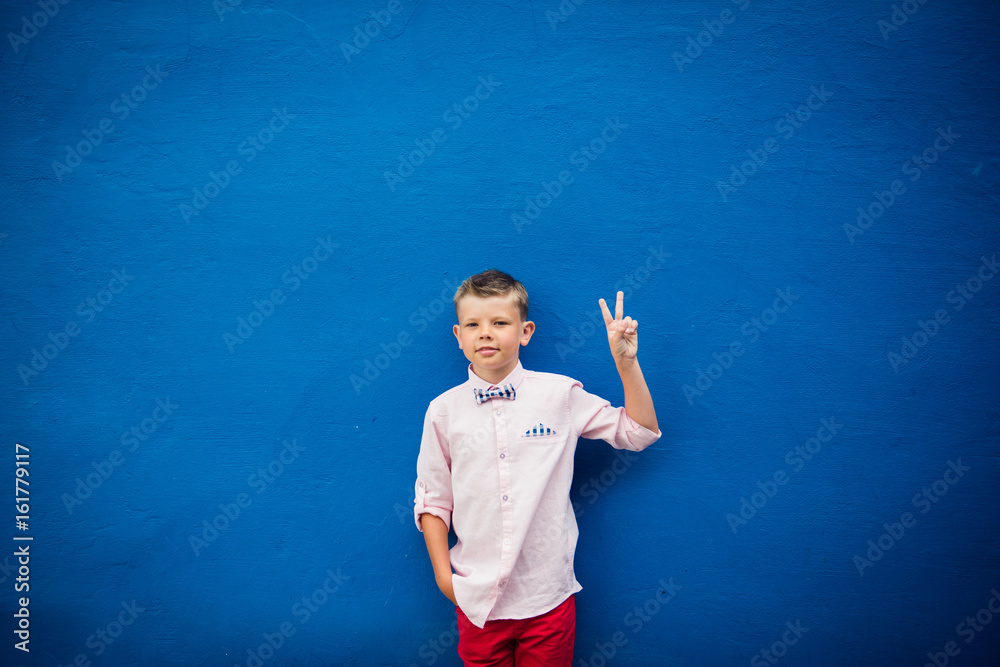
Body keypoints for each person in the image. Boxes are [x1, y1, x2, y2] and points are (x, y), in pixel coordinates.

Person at [413, 268, 660, 665]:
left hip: (547, 597)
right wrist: (446, 579)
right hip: (476, 601)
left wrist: (626, 363)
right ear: (458, 337)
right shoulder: (442, 412)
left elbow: (640, 432)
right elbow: (433, 500)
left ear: (525, 331)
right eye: (473, 324)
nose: (486, 333)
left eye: (499, 322)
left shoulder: (560, 395)